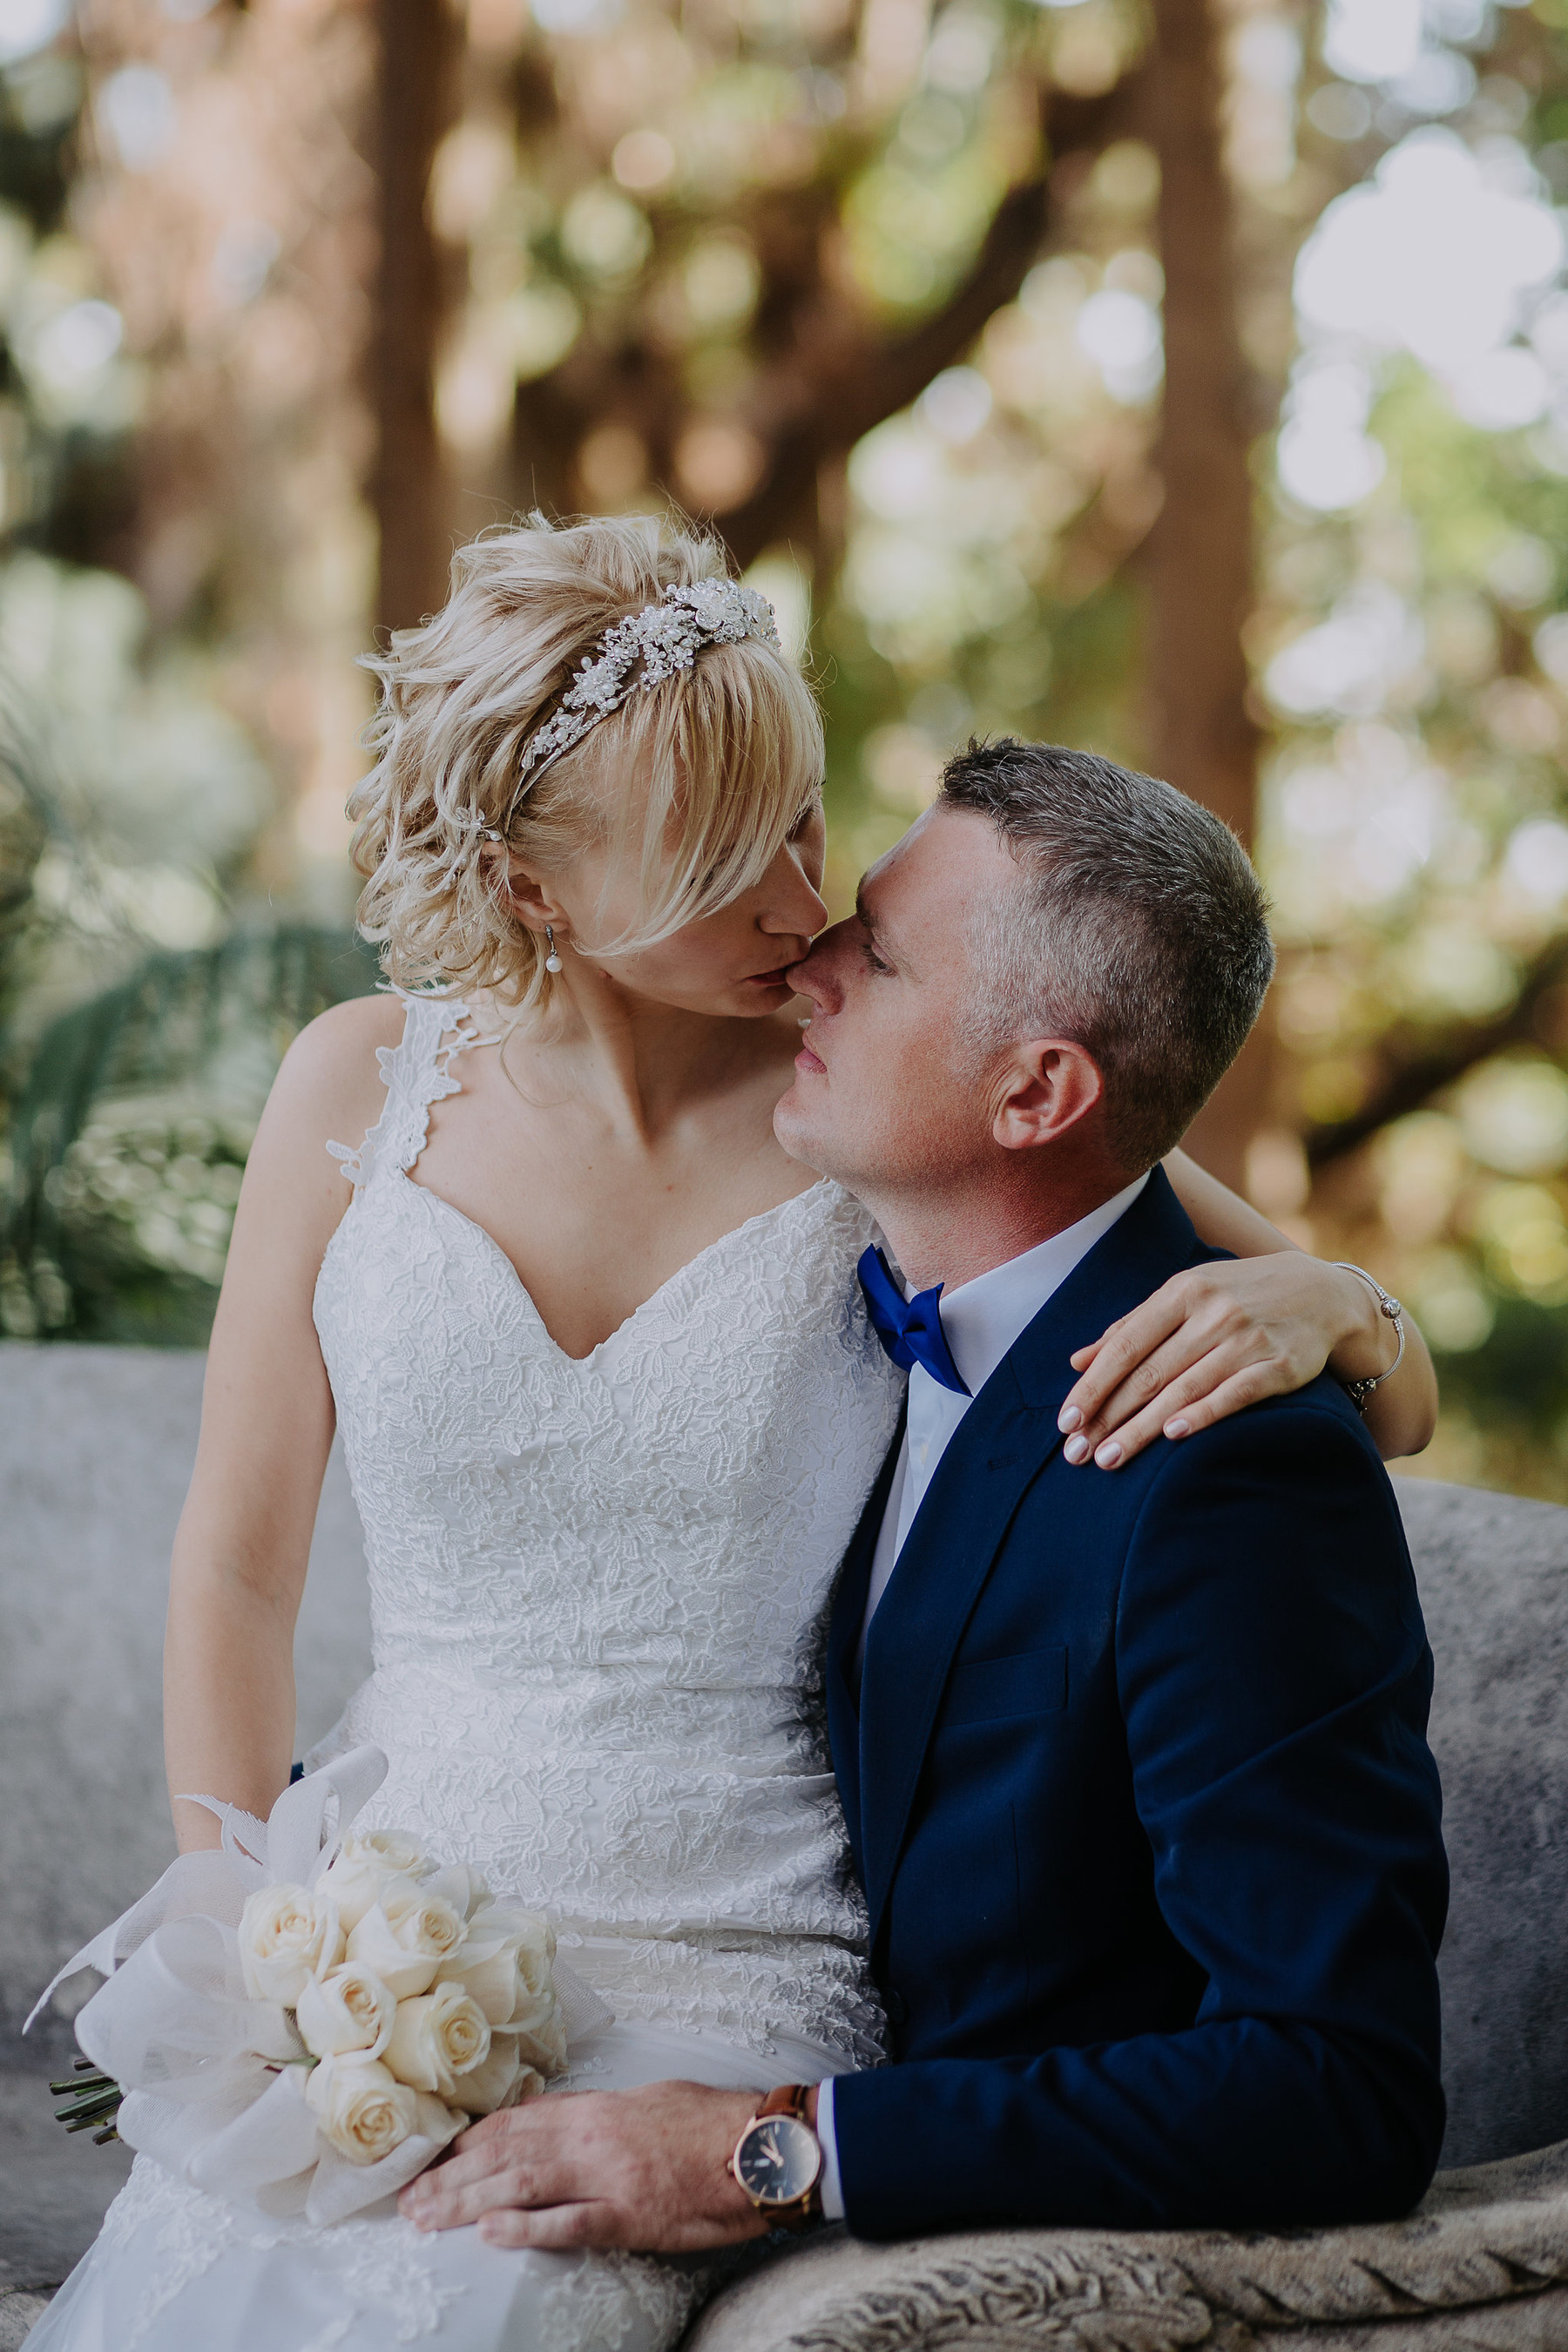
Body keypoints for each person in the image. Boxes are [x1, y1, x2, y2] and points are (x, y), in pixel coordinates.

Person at [29, 522, 1435, 2352]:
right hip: (379, 1910)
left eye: (800, 818)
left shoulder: (878, 1103)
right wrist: (254, 1939)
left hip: (738, 1940)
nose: (803, 908)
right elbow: (234, 1557)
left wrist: (1335, 1300)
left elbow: (1286, 1328)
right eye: (722, 863)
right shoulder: (356, 1083)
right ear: (540, 891)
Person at [398, 740, 1446, 2255]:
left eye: (877, 958)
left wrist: (775, 2152)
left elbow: (1343, 2090)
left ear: (1033, 1090)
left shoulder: (1234, 1474)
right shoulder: (858, 1288)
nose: (807, 967)